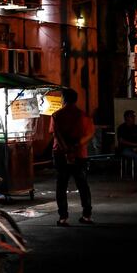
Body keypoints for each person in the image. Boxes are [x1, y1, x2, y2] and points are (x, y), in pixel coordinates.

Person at [50, 88, 94, 226]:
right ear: (76, 99)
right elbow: (89, 134)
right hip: (79, 154)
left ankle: (63, 217)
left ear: (63, 99)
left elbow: (55, 133)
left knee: (61, 185)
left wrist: (66, 149)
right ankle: (86, 215)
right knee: (82, 184)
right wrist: (76, 146)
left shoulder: (57, 115)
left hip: (60, 154)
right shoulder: (83, 115)